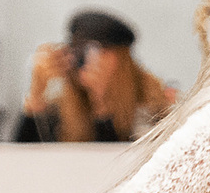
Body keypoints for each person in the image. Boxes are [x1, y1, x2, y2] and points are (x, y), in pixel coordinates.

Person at [14, 10, 175, 143]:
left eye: (98, 51)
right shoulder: (61, 106)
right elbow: (21, 158)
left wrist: (102, 105)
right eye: (79, 51)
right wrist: (36, 96)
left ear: (120, 58)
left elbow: (124, 160)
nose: (86, 61)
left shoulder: (152, 102)